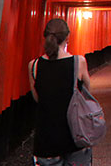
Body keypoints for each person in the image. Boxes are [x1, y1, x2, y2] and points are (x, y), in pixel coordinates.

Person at [28, 18, 93, 166]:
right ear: (68, 37)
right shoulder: (79, 62)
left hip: (46, 139)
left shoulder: (34, 66)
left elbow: (37, 98)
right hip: (75, 136)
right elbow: (87, 94)